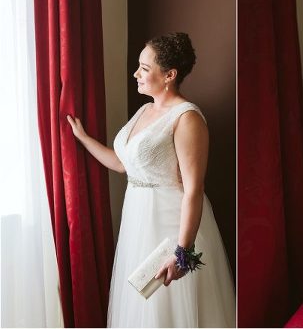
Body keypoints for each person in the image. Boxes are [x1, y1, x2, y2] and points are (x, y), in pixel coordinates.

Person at [67, 32, 235, 327]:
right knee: (143, 307)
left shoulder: (187, 118)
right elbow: (122, 164)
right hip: (138, 219)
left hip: (170, 224)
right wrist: (83, 139)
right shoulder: (146, 109)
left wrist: (183, 253)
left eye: (145, 68)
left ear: (169, 75)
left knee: (169, 308)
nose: (136, 74)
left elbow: (194, 189)